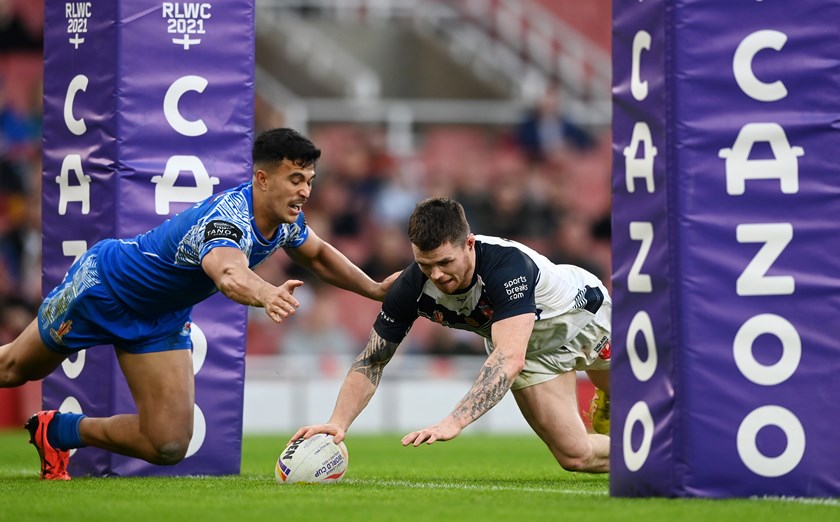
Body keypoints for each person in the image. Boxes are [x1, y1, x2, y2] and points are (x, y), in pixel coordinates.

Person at [0, 127, 397, 480]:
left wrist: (374, 288)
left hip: (159, 319)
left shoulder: (285, 221)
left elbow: (318, 254)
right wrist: (266, 293)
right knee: (15, 368)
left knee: (168, 443)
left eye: (309, 180)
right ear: (262, 178)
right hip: (102, 290)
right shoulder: (225, 221)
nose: (305, 191)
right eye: (295, 179)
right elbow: (228, 274)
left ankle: (57, 432)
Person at [292, 197, 611, 473]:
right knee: (575, 457)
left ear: (469, 244)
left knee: (630, 405)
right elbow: (373, 360)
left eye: (445, 262)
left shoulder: (506, 266)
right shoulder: (412, 285)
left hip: (585, 319)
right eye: (425, 265)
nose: (437, 275)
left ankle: (616, 404)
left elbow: (508, 359)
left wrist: (454, 421)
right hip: (532, 352)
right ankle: (654, 459)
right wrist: (338, 422)